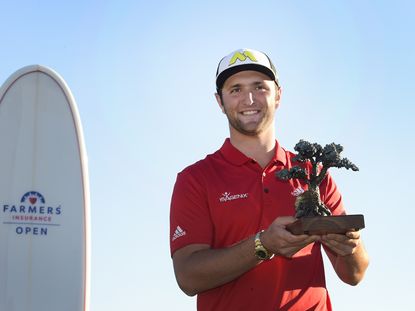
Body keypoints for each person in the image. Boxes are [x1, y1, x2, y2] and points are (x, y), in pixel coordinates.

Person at [169, 48, 369, 311]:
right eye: (235, 89)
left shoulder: (313, 172)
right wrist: (262, 245)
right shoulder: (195, 179)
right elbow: (188, 277)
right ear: (220, 101)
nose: (249, 99)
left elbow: (354, 274)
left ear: (278, 95)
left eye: (260, 87)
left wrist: (350, 247)